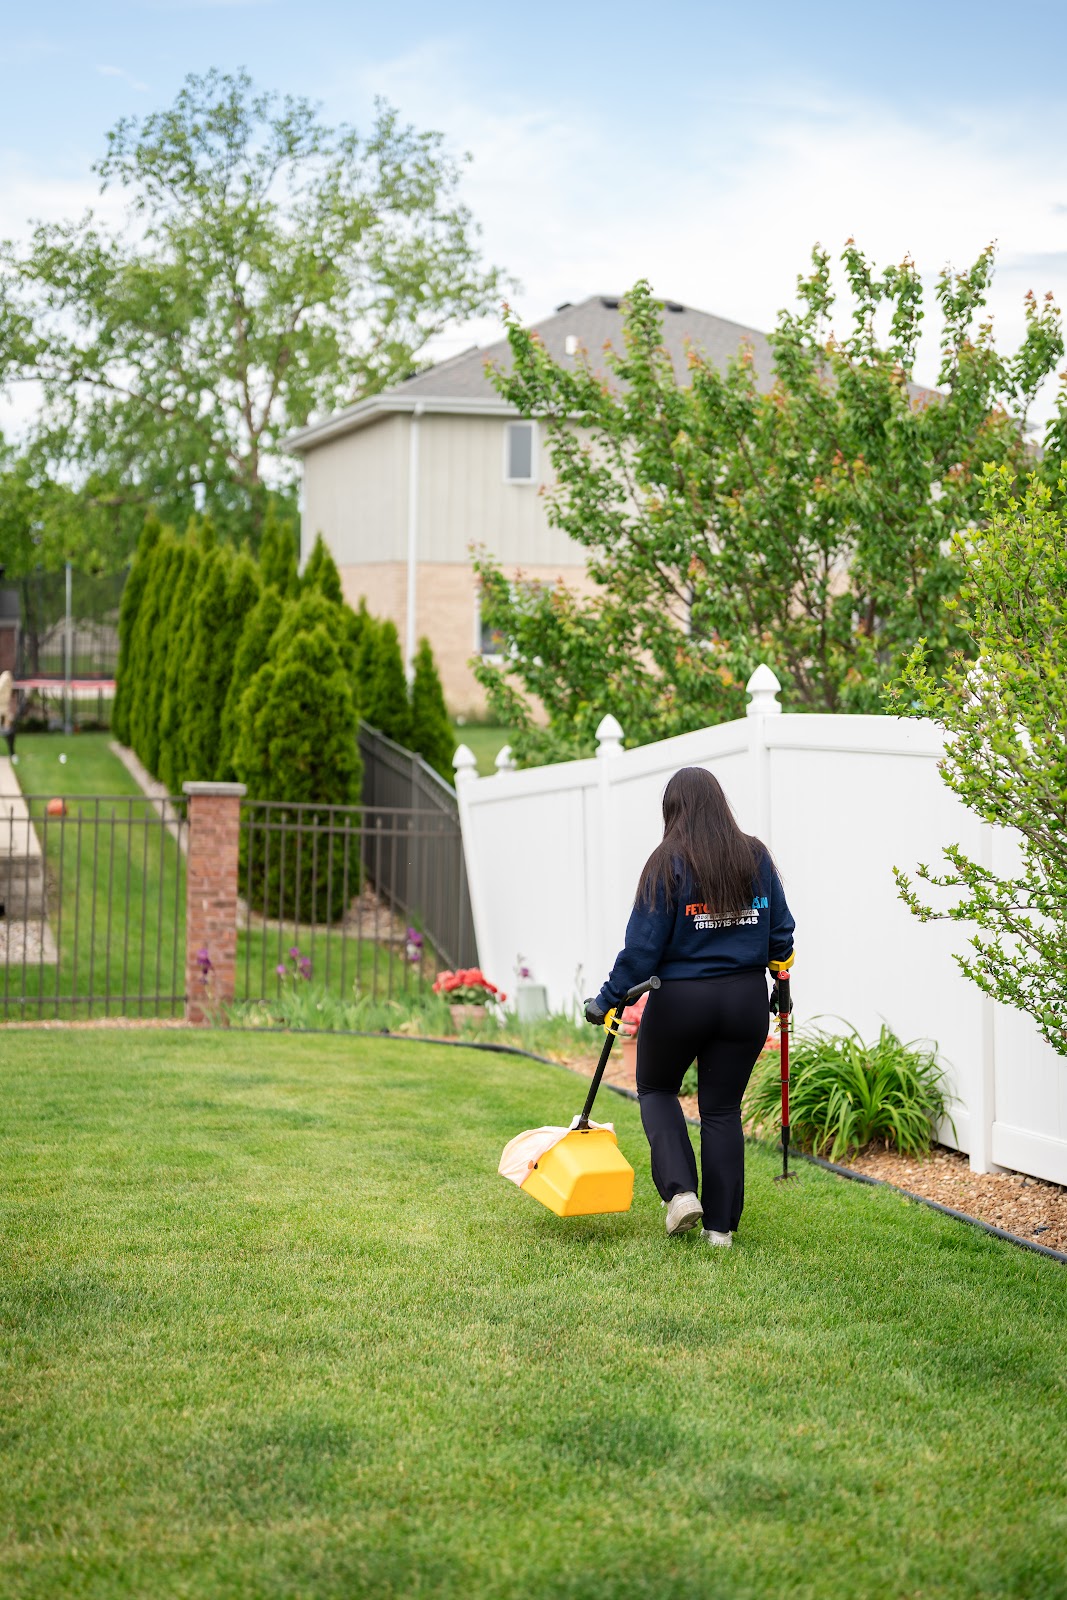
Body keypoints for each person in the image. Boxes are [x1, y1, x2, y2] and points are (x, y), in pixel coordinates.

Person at [584, 766, 795, 1249]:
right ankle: (720, 1231)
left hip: (682, 1000)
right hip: (744, 999)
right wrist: (780, 974)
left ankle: (680, 1193)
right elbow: (780, 929)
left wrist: (606, 999)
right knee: (721, 1109)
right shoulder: (755, 855)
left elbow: (641, 951)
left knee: (656, 1087)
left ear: (673, 810)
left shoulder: (667, 861)